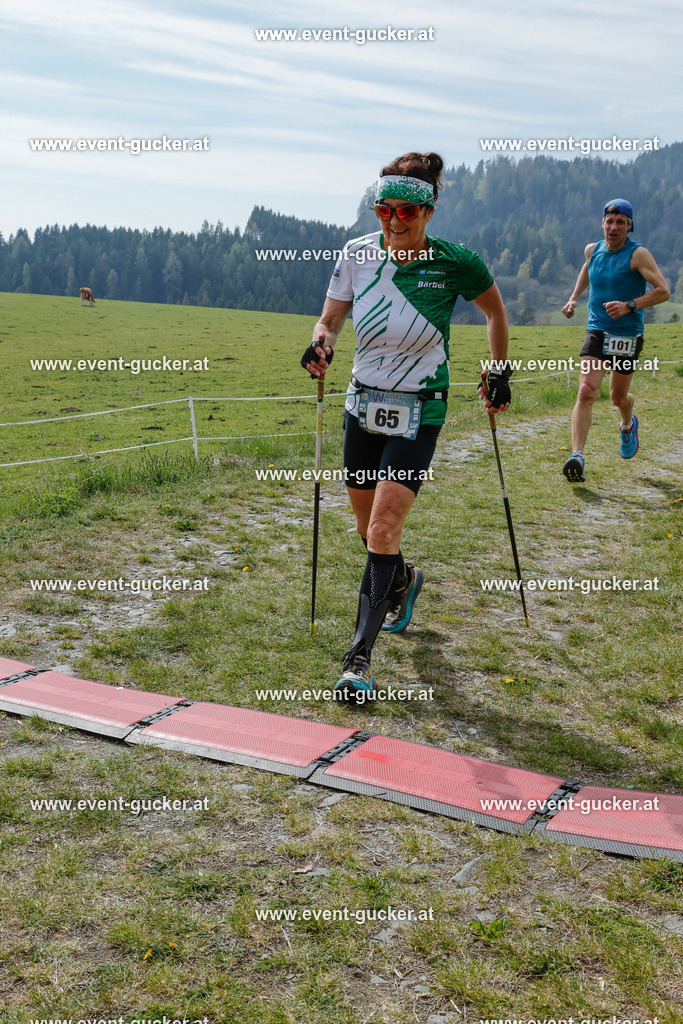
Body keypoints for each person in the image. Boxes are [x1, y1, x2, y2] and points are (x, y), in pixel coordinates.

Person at [301, 151, 512, 701]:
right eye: (384, 210)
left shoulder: (456, 261)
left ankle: (357, 662)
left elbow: (494, 312)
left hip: (422, 405)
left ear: (431, 210)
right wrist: (320, 343)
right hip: (362, 402)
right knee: (366, 528)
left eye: (407, 213)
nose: (394, 222)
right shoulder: (356, 255)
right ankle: (401, 579)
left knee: (383, 528)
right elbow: (330, 317)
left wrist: (498, 369)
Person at [561, 199, 670, 483]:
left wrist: (630, 305)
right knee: (586, 391)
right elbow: (587, 268)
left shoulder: (638, 255)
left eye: (621, 222)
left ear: (629, 226)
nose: (614, 227)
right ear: (602, 223)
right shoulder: (592, 250)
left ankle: (627, 422)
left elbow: (663, 291)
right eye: (610, 221)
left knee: (617, 397)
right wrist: (574, 298)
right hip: (597, 329)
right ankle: (577, 456)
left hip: (626, 335)